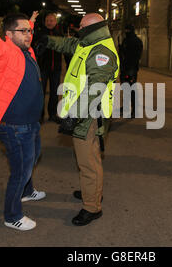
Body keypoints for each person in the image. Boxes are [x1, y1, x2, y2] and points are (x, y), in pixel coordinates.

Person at [37, 13, 119, 226]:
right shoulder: (89, 43)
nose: (78, 30)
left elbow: (94, 90)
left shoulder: (102, 52)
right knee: (90, 158)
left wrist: (73, 116)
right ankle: (91, 192)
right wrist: (47, 39)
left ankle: (92, 207)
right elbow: (68, 44)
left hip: (89, 116)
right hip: (85, 113)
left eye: (82, 26)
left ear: (93, 28)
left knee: (88, 162)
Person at [0, 11, 46, 231]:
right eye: (23, 31)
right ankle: (12, 215)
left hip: (31, 122)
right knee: (21, 171)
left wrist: (30, 22)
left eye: (30, 31)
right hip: (15, 126)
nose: (28, 35)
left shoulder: (26, 50)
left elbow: (25, 33)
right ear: (8, 34)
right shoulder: (4, 52)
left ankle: (27, 192)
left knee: (31, 159)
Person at [33, 13, 64, 123]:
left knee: (54, 92)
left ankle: (52, 114)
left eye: (52, 20)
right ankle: (40, 116)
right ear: (44, 22)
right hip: (42, 68)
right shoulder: (39, 34)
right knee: (40, 93)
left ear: (56, 22)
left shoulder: (59, 34)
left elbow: (64, 49)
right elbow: (34, 48)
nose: (49, 22)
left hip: (56, 68)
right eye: (47, 20)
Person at [119, 24, 143, 118]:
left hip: (131, 69)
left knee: (132, 89)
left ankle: (135, 110)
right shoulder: (127, 40)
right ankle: (126, 107)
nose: (126, 32)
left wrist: (124, 50)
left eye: (127, 30)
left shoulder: (135, 41)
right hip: (125, 68)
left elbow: (135, 56)